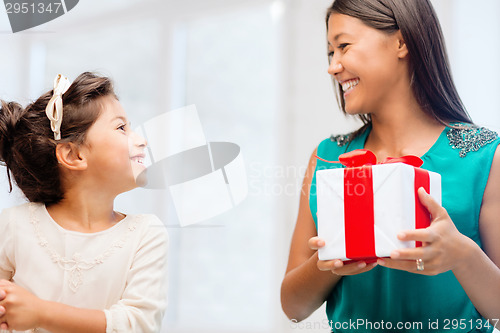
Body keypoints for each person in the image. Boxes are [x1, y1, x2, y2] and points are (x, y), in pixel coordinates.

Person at [281, 0, 500, 332]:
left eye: (343, 46)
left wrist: (462, 255)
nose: (333, 66)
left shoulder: (483, 156)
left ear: (401, 43)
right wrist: (327, 263)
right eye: (330, 53)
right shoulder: (326, 158)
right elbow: (293, 309)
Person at [0, 72, 168, 332]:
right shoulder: (12, 226)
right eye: (121, 128)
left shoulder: (146, 234)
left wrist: (40, 313)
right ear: (73, 154)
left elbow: (139, 324)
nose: (141, 139)